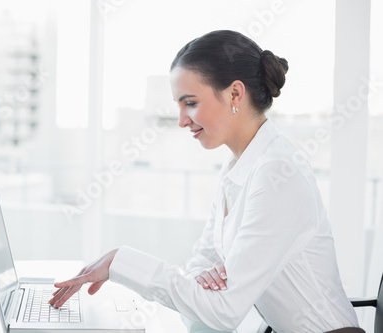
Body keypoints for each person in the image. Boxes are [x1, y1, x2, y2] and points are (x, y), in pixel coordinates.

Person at [49, 30, 363, 333]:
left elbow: (225, 311)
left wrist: (121, 261)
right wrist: (206, 277)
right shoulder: (236, 168)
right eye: (179, 105)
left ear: (235, 94)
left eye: (191, 102)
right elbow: (203, 259)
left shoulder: (277, 174)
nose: (182, 120)